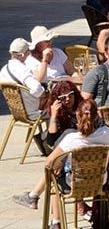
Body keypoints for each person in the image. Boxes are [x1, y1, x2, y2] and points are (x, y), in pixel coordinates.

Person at [12, 81, 81, 212]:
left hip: (74, 158)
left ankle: (34, 197)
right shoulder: (58, 112)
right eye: (63, 98)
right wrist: (54, 115)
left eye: (70, 95)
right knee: (55, 169)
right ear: (57, 99)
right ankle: (35, 198)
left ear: (75, 94)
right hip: (65, 156)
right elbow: (50, 141)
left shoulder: (81, 109)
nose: (67, 100)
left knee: (54, 173)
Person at [1, 37, 47, 121]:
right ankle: (53, 133)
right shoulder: (23, 70)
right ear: (22, 54)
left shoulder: (3, 70)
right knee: (59, 108)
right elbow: (37, 89)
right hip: (33, 112)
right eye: (28, 52)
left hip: (17, 111)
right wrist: (44, 93)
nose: (29, 54)